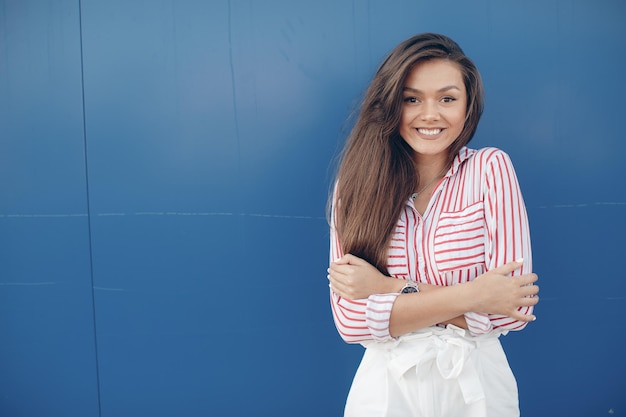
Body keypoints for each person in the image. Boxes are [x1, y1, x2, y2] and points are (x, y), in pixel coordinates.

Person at [327, 33, 540, 417]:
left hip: (475, 385)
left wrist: (387, 288)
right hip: (386, 389)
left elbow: (511, 309)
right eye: (412, 99)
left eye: (447, 98)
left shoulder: (490, 170)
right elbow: (351, 321)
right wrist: (476, 295)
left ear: (467, 106)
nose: (430, 114)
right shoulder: (355, 184)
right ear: (391, 104)